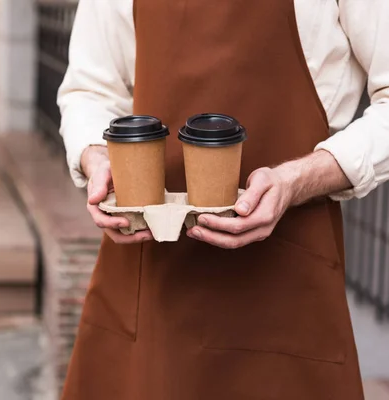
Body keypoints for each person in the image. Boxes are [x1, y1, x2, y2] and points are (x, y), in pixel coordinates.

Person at [57, 0, 389, 398]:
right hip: (152, 279)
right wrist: (96, 158)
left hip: (285, 282)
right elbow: (89, 90)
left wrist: (295, 179)